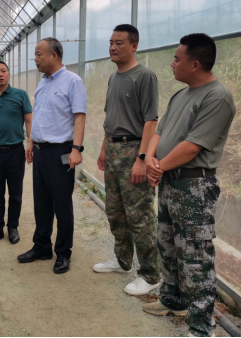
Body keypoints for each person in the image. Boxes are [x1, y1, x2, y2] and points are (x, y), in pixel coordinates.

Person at [143, 33, 236, 338]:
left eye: (176, 59)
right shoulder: (180, 95)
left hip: (194, 186)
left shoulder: (217, 97)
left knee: (195, 256)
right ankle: (173, 300)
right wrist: (150, 160)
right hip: (170, 181)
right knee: (168, 245)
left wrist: (157, 166)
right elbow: (160, 132)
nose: (172, 64)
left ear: (194, 64)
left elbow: (193, 146)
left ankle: (201, 326)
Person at [92, 24, 161, 296]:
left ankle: (151, 274)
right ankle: (122, 261)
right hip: (113, 149)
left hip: (133, 149)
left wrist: (143, 158)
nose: (112, 47)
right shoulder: (114, 77)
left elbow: (151, 121)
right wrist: (103, 149)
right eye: (111, 42)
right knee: (115, 210)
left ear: (134, 46)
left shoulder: (144, 76)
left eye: (119, 43)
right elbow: (111, 118)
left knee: (139, 214)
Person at [18, 38, 87, 274]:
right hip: (40, 151)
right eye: (35, 54)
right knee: (42, 203)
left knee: (62, 205)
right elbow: (38, 116)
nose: (35, 59)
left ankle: (63, 252)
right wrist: (31, 142)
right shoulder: (43, 82)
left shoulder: (72, 81)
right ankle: (42, 246)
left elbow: (80, 117)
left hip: (60, 152)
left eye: (39, 54)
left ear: (54, 55)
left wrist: (76, 149)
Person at [0, 61, 33, 249]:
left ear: (8, 74)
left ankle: (13, 227)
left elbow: (29, 121)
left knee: (15, 193)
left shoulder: (20, 95)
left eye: (3, 71)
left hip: (15, 152)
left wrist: (30, 143)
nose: (0, 74)